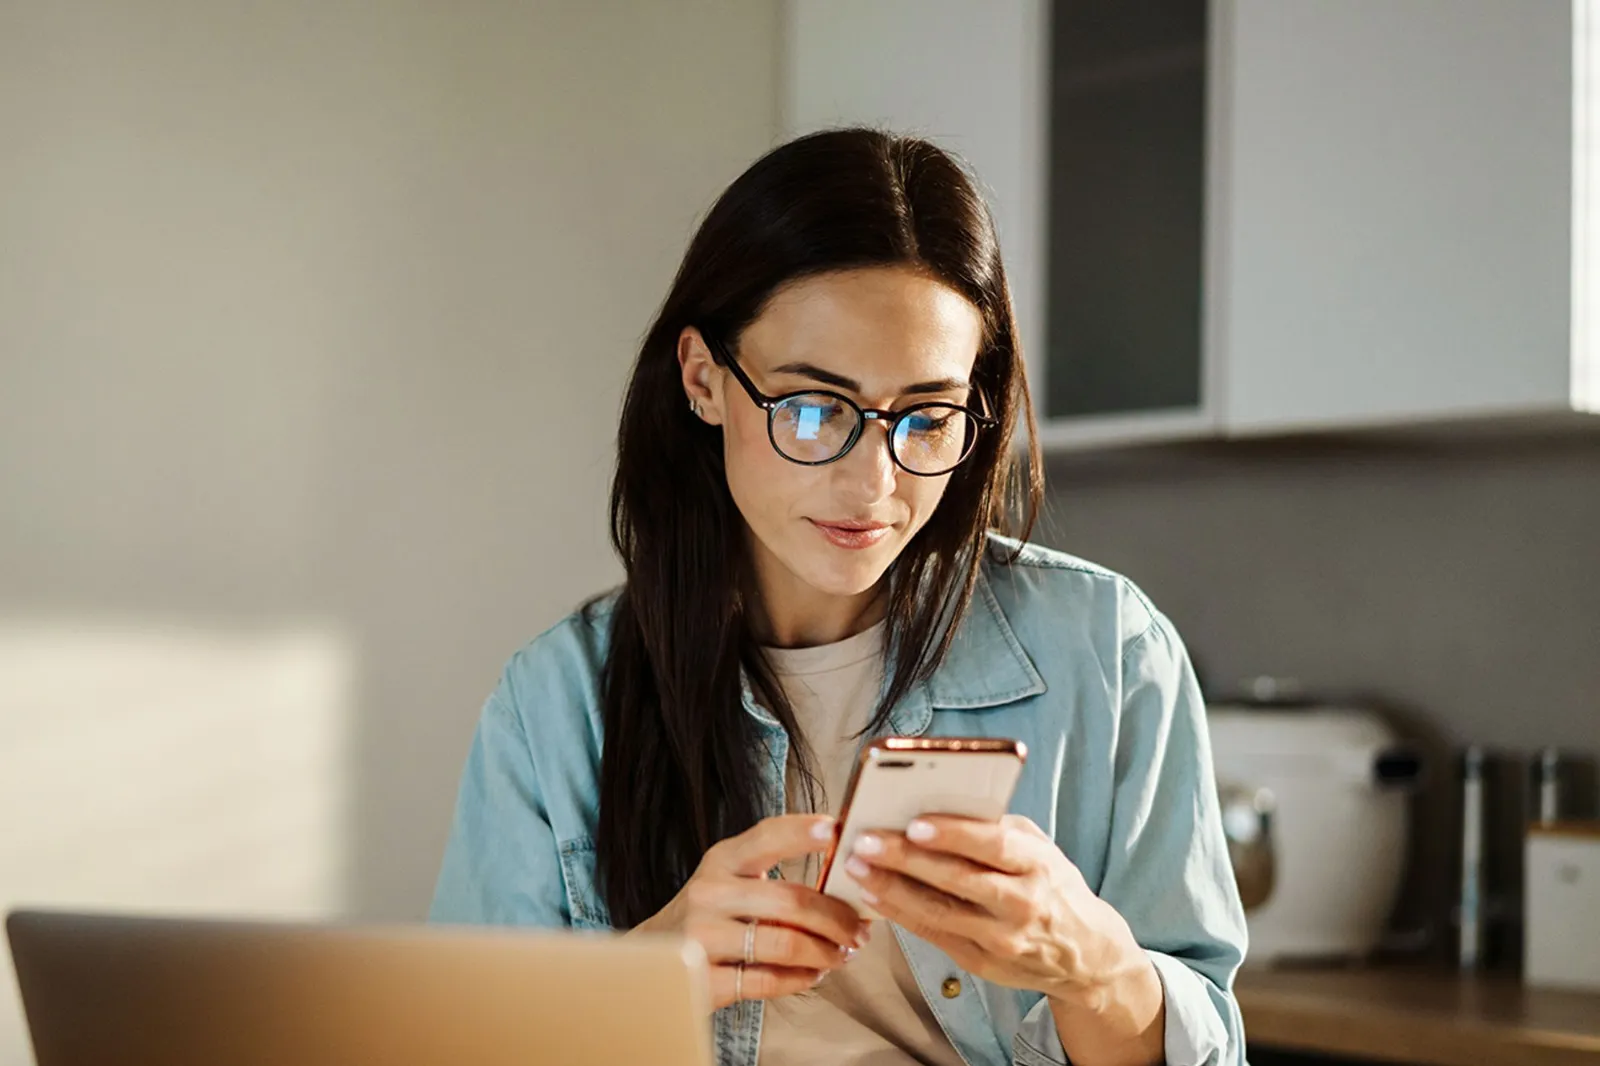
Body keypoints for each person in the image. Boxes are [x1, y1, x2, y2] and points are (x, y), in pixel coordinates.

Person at [429, 127, 1247, 1066]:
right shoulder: (556, 704)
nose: (874, 486)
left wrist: (1095, 969)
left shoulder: (1107, 652)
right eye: (815, 410)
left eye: (927, 418)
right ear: (704, 380)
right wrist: (657, 966)